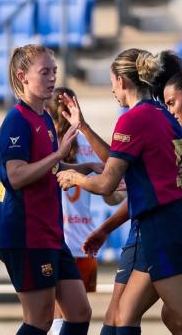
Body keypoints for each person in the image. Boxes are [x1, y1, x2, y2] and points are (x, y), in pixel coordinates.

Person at [58, 49, 182, 335]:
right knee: (122, 316)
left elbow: (107, 182)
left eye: (112, 82)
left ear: (121, 81)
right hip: (160, 224)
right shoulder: (162, 115)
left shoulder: (133, 119)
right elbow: (120, 163)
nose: (112, 90)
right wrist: (83, 127)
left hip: (161, 227)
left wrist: (73, 178)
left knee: (179, 317)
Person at [0, 44, 92, 335]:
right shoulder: (16, 120)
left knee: (79, 312)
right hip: (25, 233)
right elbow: (17, 176)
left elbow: (51, 170)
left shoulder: (45, 117)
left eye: (54, 72)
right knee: (39, 320)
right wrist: (59, 154)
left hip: (49, 232)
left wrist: (88, 170)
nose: (52, 78)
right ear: (23, 76)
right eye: (44, 72)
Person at [46, 87, 126, 334]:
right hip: (83, 241)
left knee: (51, 316)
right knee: (77, 315)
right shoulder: (89, 144)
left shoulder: (47, 145)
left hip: (56, 238)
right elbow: (114, 196)